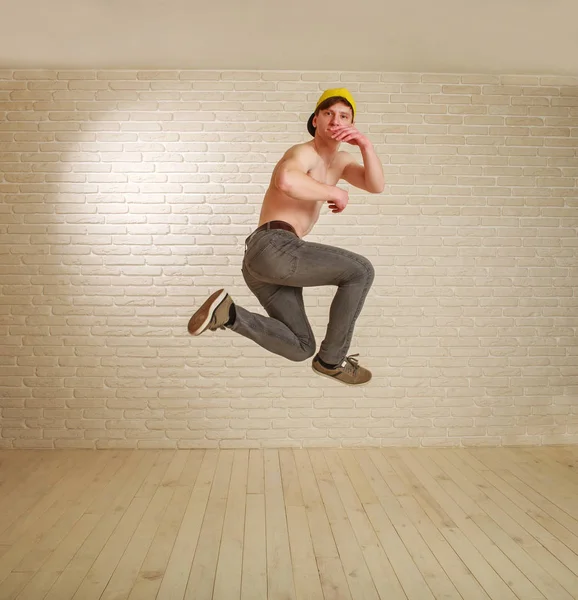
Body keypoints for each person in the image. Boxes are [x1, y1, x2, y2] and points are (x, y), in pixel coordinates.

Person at [187, 88, 384, 385]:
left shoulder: (341, 162)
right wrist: (333, 191)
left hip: (263, 265)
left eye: (344, 116)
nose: (335, 120)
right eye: (328, 113)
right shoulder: (304, 152)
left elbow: (375, 184)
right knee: (361, 270)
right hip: (275, 246)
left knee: (300, 346)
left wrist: (366, 145)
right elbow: (286, 179)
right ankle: (332, 360)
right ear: (315, 119)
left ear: (351, 125)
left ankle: (228, 314)